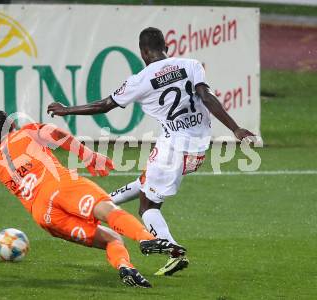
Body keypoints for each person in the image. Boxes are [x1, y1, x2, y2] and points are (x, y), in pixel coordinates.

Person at [47, 27, 255, 276]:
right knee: (146, 182)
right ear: (165, 45)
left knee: (147, 205)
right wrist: (236, 128)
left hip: (174, 149)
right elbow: (207, 98)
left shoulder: (140, 80)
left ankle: (174, 251)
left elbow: (104, 105)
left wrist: (66, 110)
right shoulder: (190, 65)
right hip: (198, 149)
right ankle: (104, 205)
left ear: (143, 51)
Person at [0, 110, 185, 288]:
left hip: (44, 216)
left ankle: (126, 268)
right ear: (13, 123)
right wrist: (88, 155)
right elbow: (56, 133)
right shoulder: (26, 131)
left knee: (111, 239)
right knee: (108, 211)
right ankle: (145, 239)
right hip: (61, 187)